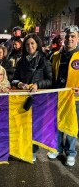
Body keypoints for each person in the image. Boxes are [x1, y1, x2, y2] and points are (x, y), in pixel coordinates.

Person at [11, 33, 52, 161]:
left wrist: (37, 85)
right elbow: (13, 79)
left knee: (36, 126)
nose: (30, 46)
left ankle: (33, 150)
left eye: (32, 43)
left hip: (39, 99)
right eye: (27, 44)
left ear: (37, 45)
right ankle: (23, 148)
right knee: (22, 125)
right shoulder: (21, 61)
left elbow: (50, 80)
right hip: (23, 99)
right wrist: (19, 83)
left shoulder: (44, 60)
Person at [47, 25, 79, 166]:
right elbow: (51, 76)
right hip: (58, 96)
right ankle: (58, 148)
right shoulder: (56, 56)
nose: (69, 39)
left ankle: (71, 152)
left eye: (72, 36)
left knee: (71, 126)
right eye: (67, 36)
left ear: (77, 39)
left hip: (74, 98)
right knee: (57, 125)